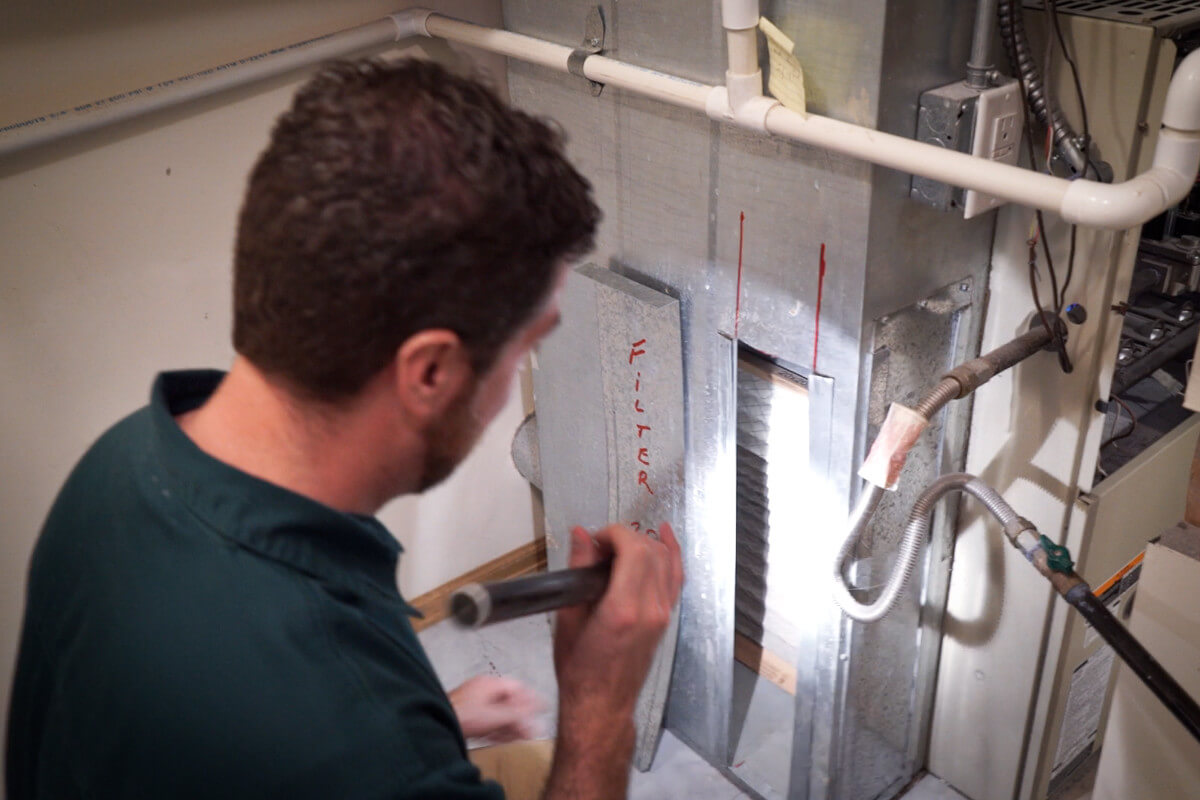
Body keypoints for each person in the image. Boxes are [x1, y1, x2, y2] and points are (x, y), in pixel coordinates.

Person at [6, 58, 683, 800]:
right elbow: (327, 742)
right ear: (430, 373)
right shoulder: (352, 742)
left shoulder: (126, 459)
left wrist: (432, 725)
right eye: (530, 341)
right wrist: (602, 704)